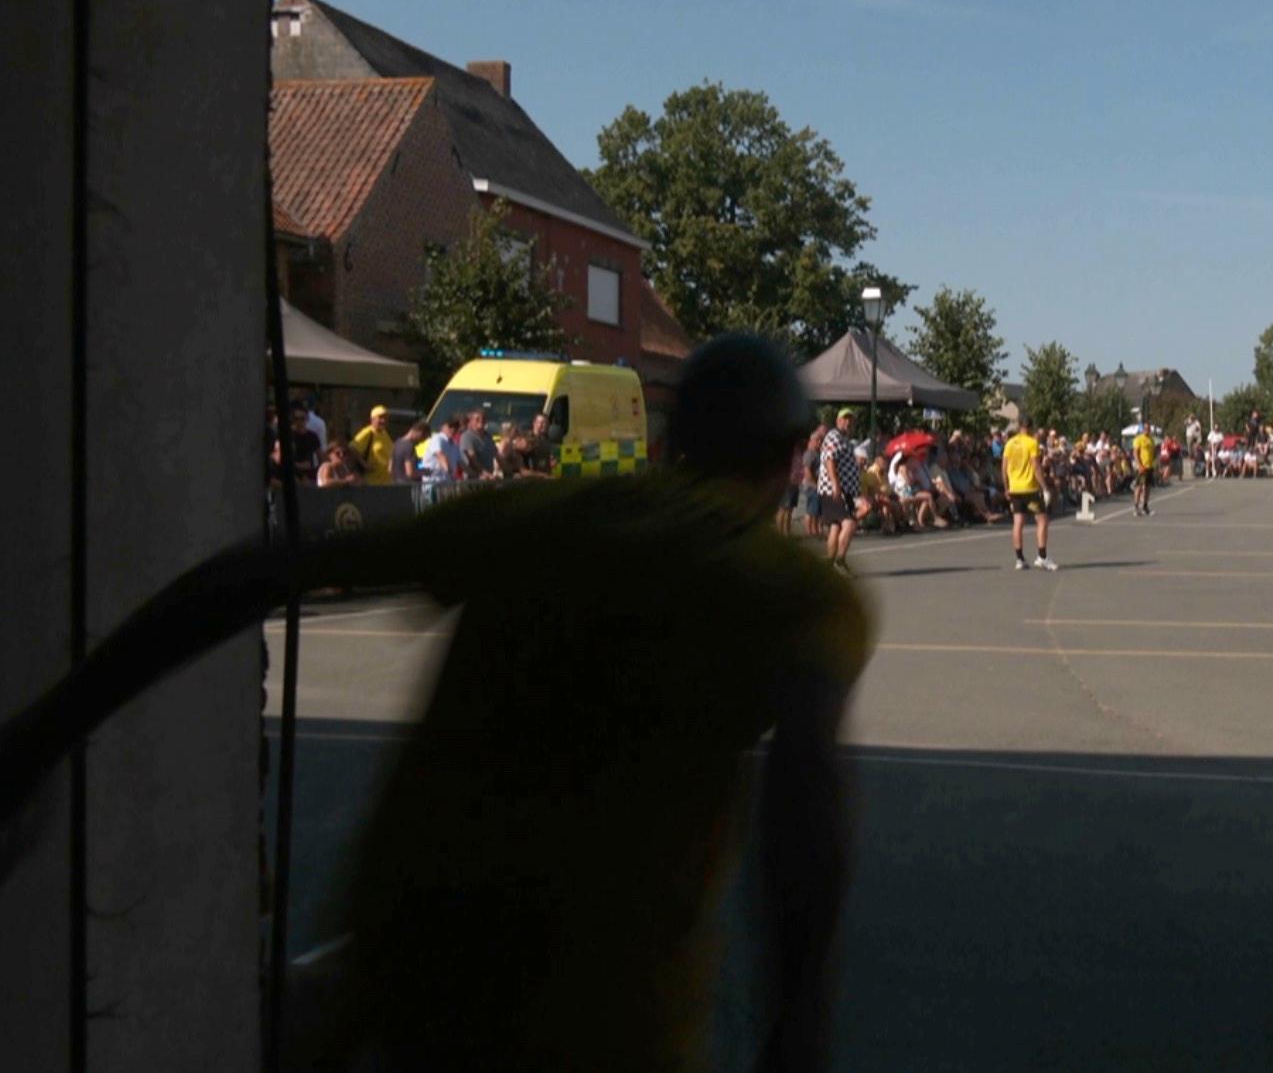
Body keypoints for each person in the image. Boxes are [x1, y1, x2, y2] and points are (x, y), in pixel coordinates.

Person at [0, 334, 868, 1073]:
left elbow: (254, 574)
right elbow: (806, 810)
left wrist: (47, 730)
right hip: (608, 1013)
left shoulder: (546, 518)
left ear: (675, 438)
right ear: (791, 457)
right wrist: (800, 1025)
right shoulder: (785, 589)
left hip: (406, 967)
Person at [1003, 417, 1056, 571]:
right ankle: (1042, 556)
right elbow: (1036, 466)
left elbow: (1004, 467)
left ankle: (1019, 558)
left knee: (1018, 522)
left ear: (1020, 426)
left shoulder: (1010, 443)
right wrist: (1045, 487)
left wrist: (1006, 487)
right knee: (1042, 519)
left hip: (1015, 488)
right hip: (1029, 488)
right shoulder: (1032, 443)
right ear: (1031, 427)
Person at [817, 408, 862, 575]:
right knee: (850, 523)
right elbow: (829, 460)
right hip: (835, 490)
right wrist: (835, 484)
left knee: (835, 526)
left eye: (850, 419)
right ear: (838, 421)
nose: (848, 422)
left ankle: (830, 561)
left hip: (845, 490)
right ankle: (840, 560)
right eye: (844, 419)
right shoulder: (834, 437)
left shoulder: (844, 439)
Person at [348, 405, 397, 485]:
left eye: (385, 418)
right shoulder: (368, 432)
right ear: (372, 419)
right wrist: (364, 464)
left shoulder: (385, 433)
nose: (383, 420)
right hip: (372, 482)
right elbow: (352, 448)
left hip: (386, 482)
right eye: (380, 417)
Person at [459, 409, 499, 480]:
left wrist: (510, 470)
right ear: (471, 421)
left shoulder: (488, 436)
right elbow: (472, 458)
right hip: (474, 479)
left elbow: (497, 455)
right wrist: (484, 473)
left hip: (489, 477)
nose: (481, 421)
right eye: (477, 419)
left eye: (483, 419)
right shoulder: (467, 436)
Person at [1132, 425, 1159, 517]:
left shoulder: (1151, 439)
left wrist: (1154, 462)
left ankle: (1145, 506)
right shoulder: (1139, 439)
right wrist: (1139, 465)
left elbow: (1154, 452)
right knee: (1139, 486)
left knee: (1147, 487)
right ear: (1142, 430)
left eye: (1148, 429)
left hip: (1149, 466)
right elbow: (1135, 453)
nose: (1147, 430)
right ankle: (1136, 507)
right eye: (1146, 429)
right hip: (1142, 466)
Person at [389, 420, 427, 485]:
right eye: (423, 439)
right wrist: (425, 472)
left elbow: (390, 469)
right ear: (420, 433)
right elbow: (410, 473)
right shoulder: (409, 447)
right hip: (408, 487)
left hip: (395, 484)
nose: (421, 442)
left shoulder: (397, 443)